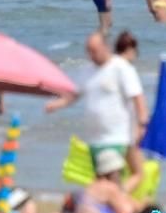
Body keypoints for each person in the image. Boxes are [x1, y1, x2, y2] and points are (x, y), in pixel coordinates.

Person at [47, 32, 145, 167]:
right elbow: (75, 94)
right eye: (89, 52)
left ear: (106, 47)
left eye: (95, 51)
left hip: (117, 136)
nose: (92, 56)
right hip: (95, 139)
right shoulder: (87, 70)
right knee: (104, 180)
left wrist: (141, 125)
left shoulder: (121, 68)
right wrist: (57, 104)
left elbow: (137, 97)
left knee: (111, 180)